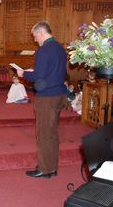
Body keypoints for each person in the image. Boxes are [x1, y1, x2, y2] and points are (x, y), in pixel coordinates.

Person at [17, 22, 67, 179]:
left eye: (35, 37)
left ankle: (45, 169)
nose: (35, 40)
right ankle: (52, 166)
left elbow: (38, 77)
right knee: (52, 133)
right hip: (59, 94)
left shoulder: (43, 50)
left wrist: (23, 73)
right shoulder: (60, 48)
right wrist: (36, 72)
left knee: (44, 134)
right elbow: (54, 71)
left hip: (47, 97)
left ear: (41, 33)